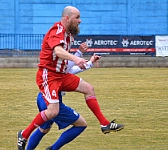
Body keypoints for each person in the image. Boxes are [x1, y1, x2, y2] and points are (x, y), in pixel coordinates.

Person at [17, 5, 124, 150]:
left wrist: (84, 59)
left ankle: (104, 123)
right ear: (67, 18)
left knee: (89, 89)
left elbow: (65, 64)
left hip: (61, 76)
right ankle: (24, 134)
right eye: (77, 17)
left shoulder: (68, 35)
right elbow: (58, 51)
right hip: (49, 77)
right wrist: (77, 57)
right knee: (52, 114)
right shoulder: (57, 31)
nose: (80, 21)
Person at [26, 50, 100, 150]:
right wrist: (79, 53)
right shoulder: (61, 66)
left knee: (44, 128)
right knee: (81, 124)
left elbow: (75, 68)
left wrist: (90, 62)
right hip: (52, 101)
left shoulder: (58, 66)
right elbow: (73, 66)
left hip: (42, 97)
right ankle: (53, 149)